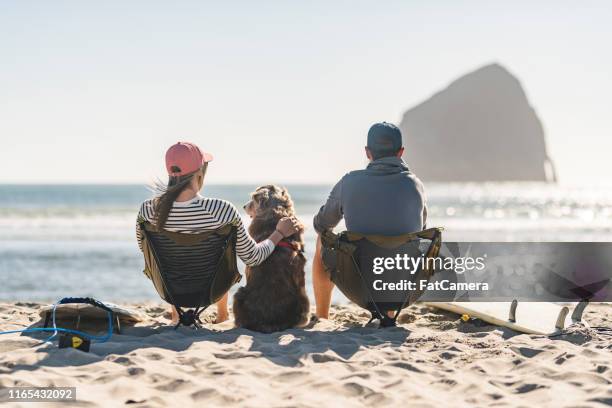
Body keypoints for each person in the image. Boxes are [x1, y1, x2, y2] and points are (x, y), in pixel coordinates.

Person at [136, 142, 299, 323]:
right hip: (210, 292)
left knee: (173, 258)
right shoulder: (221, 210)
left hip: (169, 291)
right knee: (220, 256)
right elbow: (253, 258)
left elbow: (145, 250)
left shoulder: (148, 210)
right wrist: (278, 233)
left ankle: (176, 315)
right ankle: (223, 315)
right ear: (199, 173)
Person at [312, 122, 427, 319]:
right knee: (404, 245)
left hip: (359, 285)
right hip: (402, 290)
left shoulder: (349, 182)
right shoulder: (415, 185)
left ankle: (322, 316)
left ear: (367, 152)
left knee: (322, 241)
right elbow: (422, 230)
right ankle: (390, 313)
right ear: (401, 152)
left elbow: (321, 226)